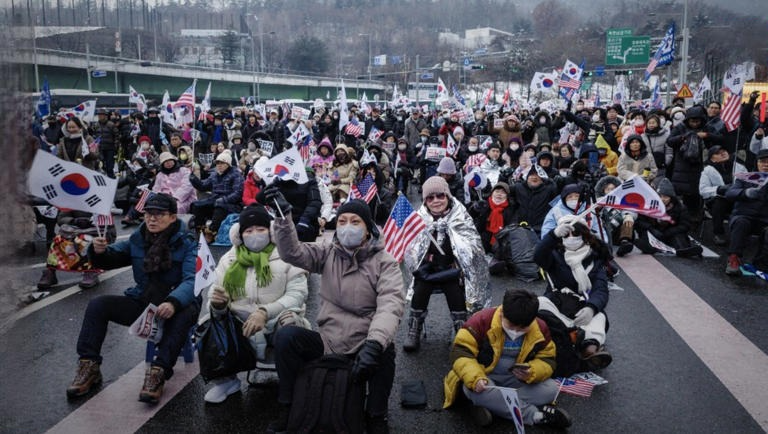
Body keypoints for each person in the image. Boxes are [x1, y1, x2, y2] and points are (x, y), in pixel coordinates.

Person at [264, 195, 405, 434]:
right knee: (287, 337)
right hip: (328, 340)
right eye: (342, 221)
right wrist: (282, 216)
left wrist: (374, 343)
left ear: (368, 229)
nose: (347, 227)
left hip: (364, 342)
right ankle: (288, 406)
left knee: (386, 350)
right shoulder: (328, 252)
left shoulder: (385, 263)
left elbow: (390, 305)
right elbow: (292, 253)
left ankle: (376, 415)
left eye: (355, 222)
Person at [66, 194, 200, 403]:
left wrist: (173, 302)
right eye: (148, 214)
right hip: (145, 300)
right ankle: (89, 366)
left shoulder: (188, 242)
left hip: (179, 303)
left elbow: (193, 280)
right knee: (98, 305)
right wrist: (99, 251)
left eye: (159, 214)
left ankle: (158, 372)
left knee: (184, 312)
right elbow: (112, 258)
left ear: (173, 217)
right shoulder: (139, 238)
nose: (152, 219)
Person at [199, 205, 310, 404]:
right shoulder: (228, 259)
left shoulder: (288, 255)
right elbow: (214, 297)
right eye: (248, 231)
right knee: (209, 322)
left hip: (276, 320)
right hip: (242, 326)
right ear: (240, 235)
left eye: (260, 229)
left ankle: (293, 383)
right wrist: (218, 306)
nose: (255, 235)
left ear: (271, 231)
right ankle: (226, 381)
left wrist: (264, 312)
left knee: (291, 327)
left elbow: (298, 295)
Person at [443, 289, 572, 429]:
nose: (516, 331)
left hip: (515, 380)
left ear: (533, 320)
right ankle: (536, 416)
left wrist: (532, 371)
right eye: (511, 325)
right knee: (476, 390)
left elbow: (548, 359)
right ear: (502, 312)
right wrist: (476, 378)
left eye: (523, 328)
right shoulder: (481, 320)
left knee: (551, 389)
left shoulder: (540, 327)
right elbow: (461, 352)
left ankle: (492, 406)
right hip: (485, 378)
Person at [402, 176, 491, 352]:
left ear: (448, 197)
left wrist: (459, 261)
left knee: (454, 288)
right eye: (430, 197)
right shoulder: (419, 219)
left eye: (440, 196)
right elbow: (410, 250)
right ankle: (415, 327)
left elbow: (472, 247)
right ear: (425, 201)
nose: (436, 201)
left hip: (451, 268)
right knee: (421, 287)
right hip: (428, 269)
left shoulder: (460, 215)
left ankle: (461, 328)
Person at [534, 214, 613, 371]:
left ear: (584, 235)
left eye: (576, 233)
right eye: (566, 234)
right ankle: (566, 338)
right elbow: (538, 256)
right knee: (539, 304)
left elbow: (601, 289)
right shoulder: (554, 255)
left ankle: (589, 349)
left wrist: (591, 307)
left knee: (599, 316)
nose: (571, 237)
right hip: (557, 304)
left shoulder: (595, 258)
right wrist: (553, 235)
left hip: (582, 307)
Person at [633, 178, 703, 258]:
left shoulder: (680, 208)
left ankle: (684, 250)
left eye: (665, 197)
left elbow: (685, 225)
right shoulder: (649, 205)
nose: (662, 199)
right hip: (654, 233)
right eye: (660, 196)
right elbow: (640, 221)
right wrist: (651, 229)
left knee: (678, 237)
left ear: (671, 198)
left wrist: (669, 232)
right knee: (646, 233)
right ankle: (649, 247)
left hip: (671, 233)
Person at [724, 149, 768, 275]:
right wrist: (745, 193)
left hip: (764, 219)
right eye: (763, 161)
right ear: (757, 163)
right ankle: (733, 259)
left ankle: (760, 264)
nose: (766, 164)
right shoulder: (748, 177)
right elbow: (729, 193)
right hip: (744, 216)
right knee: (741, 223)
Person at [189, 150, 244, 242]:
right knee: (196, 205)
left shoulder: (236, 175)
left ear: (228, 164)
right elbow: (203, 186)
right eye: (217, 163)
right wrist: (193, 179)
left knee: (220, 205)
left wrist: (224, 199)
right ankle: (200, 230)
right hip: (215, 200)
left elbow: (237, 193)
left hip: (232, 204)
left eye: (222, 163)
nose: (219, 165)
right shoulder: (214, 175)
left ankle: (211, 232)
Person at [699, 146, 746, 246]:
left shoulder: (739, 167)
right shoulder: (707, 171)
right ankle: (718, 233)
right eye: (718, 153)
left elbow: (747, 183)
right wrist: (719, 189)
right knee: (719, 202)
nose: (723, 153)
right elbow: (703, 190)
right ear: (712, 158)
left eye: (724, 150)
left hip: (736, 199)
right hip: (718, 201)